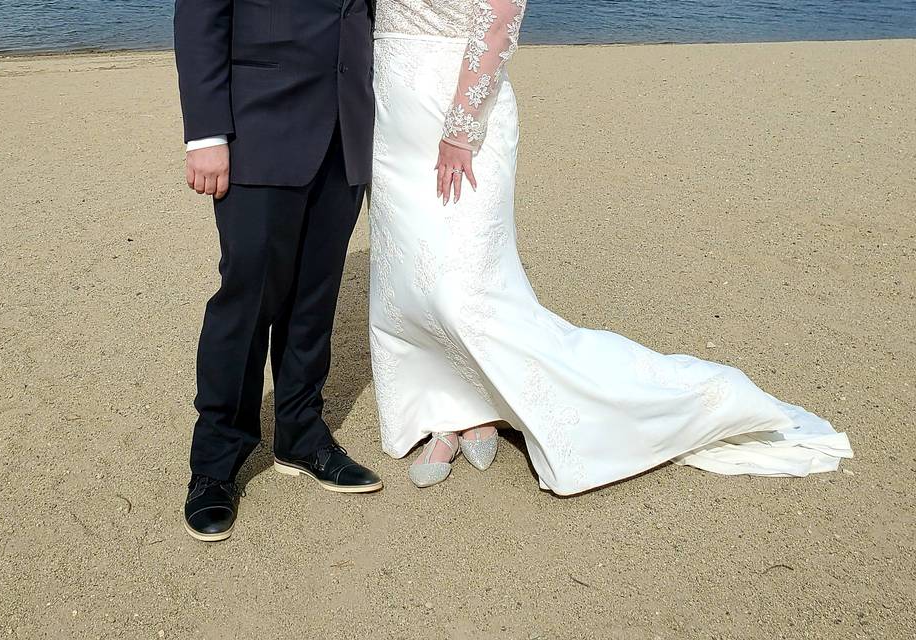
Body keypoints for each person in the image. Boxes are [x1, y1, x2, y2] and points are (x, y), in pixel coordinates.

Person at [367, 0, 853, 493]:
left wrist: (461, 128)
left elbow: (500, 17)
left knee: (466, 289)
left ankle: (678, 403)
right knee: (409, 280)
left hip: (459, 118)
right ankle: (451, 408)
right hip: (391, 118)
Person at [174, 0, 383, 542]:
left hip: (346, 128)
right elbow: (200, 18)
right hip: (258, 126)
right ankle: (215, 462)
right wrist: (206, 135)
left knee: (315, 300)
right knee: (246, 301)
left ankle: (301, 434)